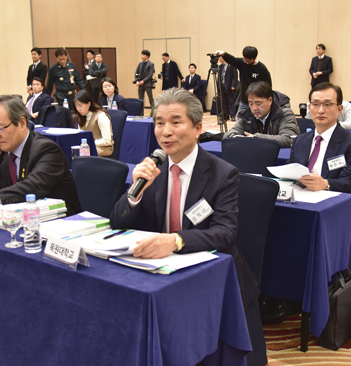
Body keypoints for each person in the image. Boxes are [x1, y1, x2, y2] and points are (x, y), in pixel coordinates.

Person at [110, 88, 266, 366]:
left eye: (176, 122)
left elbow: (225, 234)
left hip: (215, 275)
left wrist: (175, 241)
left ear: (197, 129)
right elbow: (117, 223)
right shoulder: (153, 170)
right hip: (164, 271)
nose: (165, 131)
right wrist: (135, 193)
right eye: (159, 123)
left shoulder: (222, 174)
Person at [262, 82, 351, 325]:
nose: (321, 110)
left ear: (339, 109)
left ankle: (300, 297)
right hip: (298, 204)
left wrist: (326, 183)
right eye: (316, 104)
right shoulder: (300, 140)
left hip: (332, 214)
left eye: (328, 104)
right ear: (308, 107)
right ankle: (274, 291)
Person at [0, 95, 81, 218]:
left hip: (59, 223)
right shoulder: (1, 153)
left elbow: (31, 187)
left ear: (22, 123)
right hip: (19, 221)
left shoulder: (47, 150)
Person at [225, 81, 298, 147]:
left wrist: (257, 138)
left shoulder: (284, 113)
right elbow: (228, 134)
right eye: (251, 104)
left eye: (258, 103)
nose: (254, 108)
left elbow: (289, 139)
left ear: (270, 100)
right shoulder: (247, 115)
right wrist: (235, 137)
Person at [215, 46, 272, 118]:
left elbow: (268, 85)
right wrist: (224, 54)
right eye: (245, 60)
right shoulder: (242, 64)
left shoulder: (261, 68)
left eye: (249, 61)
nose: (247, 63)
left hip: (257, 102)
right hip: (244, 101)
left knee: (257, 120)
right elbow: (233, 60)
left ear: (255, 57)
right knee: (240, 120)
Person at [74, 90, 114, 157]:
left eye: (80, 106)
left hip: (103, 148)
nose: (78, 109)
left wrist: (89, 143)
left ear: (89, 104)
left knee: (84, 153)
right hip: (88, 147)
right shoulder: (81, 117)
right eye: (76, 106)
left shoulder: (101, 116)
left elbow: (107, 140)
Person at [46, 48, 85, 113]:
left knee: (74, 112)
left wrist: (84, 92)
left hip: (72, 95)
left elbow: (79, 80)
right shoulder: (53, 69)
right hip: (61, 95)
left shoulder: (71, 66)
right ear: (56, 58)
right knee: (64, 112)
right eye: (60, 59)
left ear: (66, 57)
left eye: (64, 59)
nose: (62, 61)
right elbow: (49, 85)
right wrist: (47, 97)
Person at [219, 55, 239, 121]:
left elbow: (235, 76)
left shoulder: (231, 66)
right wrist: (218, 88)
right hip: (222, 86)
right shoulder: (220, 66)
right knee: (224, 102)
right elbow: (218, 78)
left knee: (231, 101)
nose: (219, 59)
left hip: (229, 86)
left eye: (220, 57)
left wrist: (233, 85)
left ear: (223, 58)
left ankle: (232, 115)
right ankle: (226, 115)